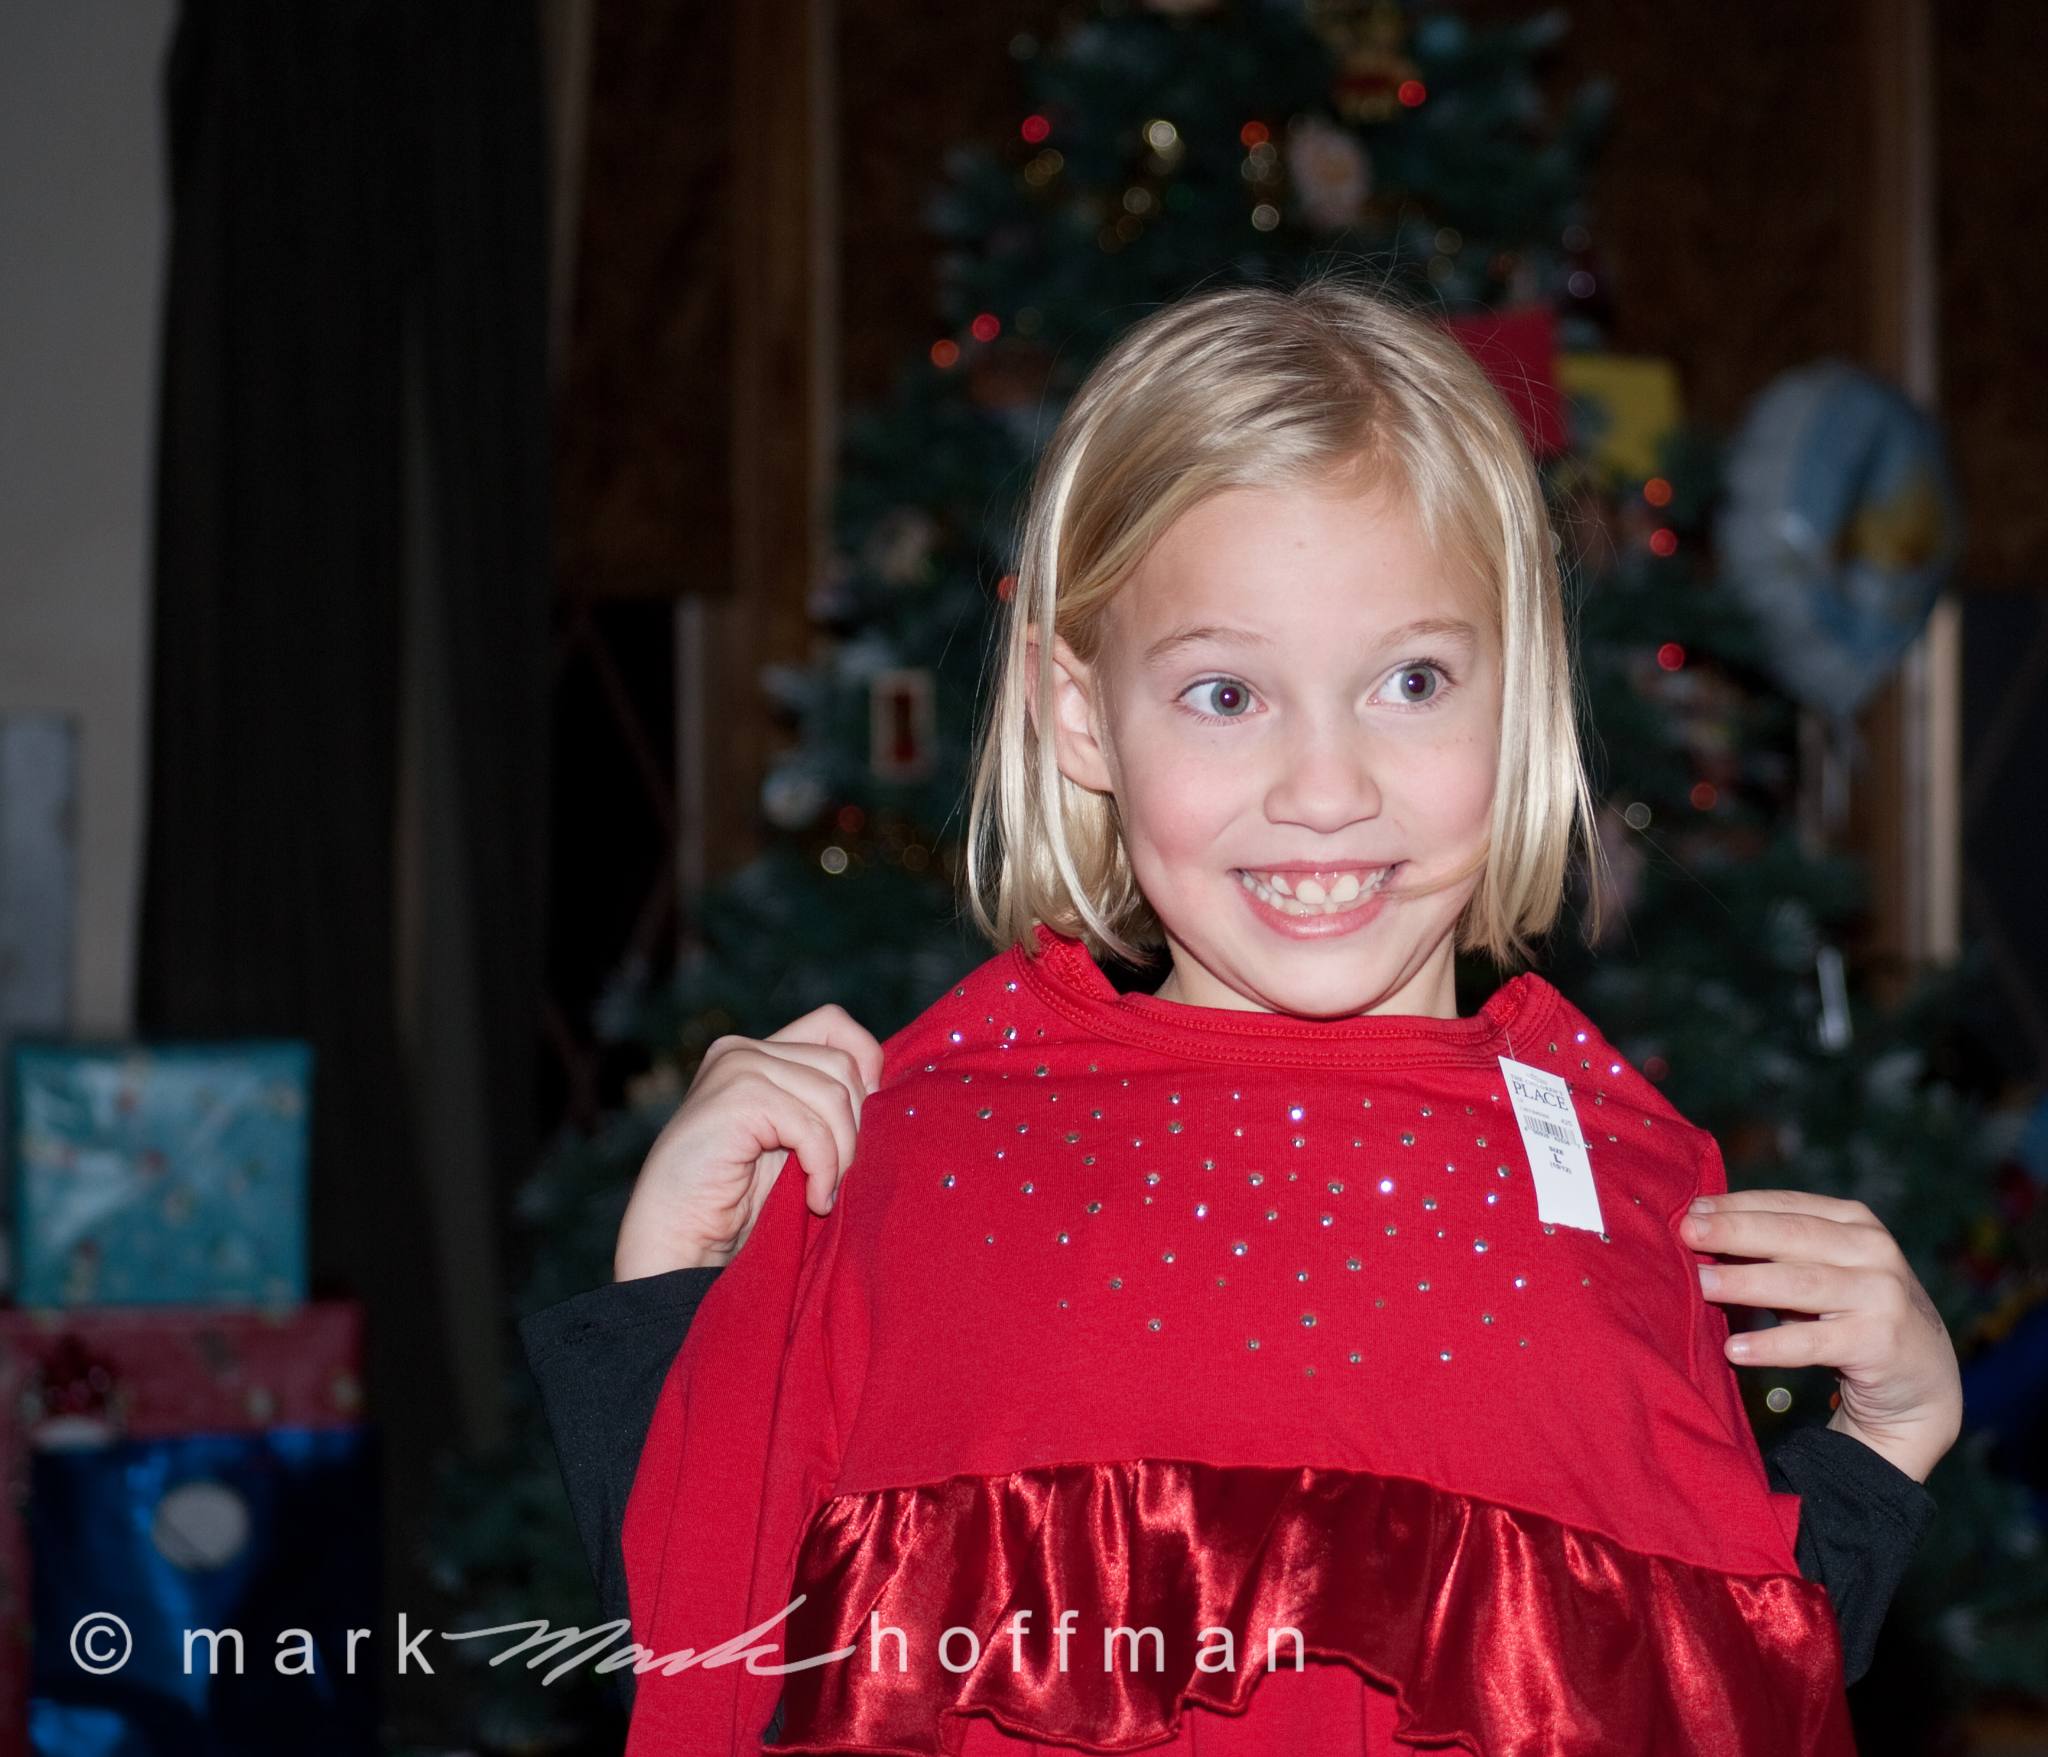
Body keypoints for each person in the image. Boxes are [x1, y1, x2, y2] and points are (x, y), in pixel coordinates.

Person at [526, 276, 1956, 1754]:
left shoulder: (1624, 1179)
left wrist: (1877, 1452)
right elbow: (724, 1666)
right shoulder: (926, 1155)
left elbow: (1691, 1681)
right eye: (1226, 694)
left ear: (1518, 692)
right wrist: (673, 1301)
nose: (1326, 790)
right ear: (1082, 714)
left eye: (1412, 680)